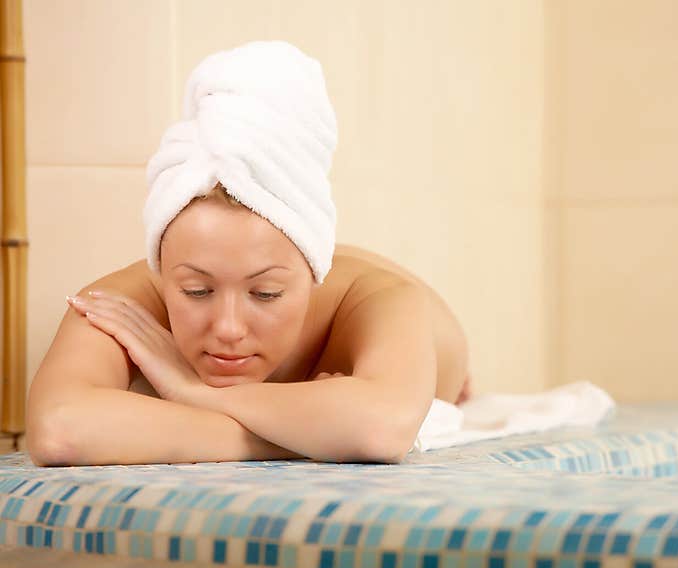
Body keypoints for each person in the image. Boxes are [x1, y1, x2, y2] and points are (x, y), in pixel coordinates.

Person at [25, 42, 470, 467]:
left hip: (440, 354)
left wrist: (194, 392)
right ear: (161, 268)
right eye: (197, 291)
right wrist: (309, 434)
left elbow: (381, 430)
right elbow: (60, 428)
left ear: (314, 269)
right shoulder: (125, 306)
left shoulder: (377, 295)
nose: (228, 329)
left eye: (267, 294)